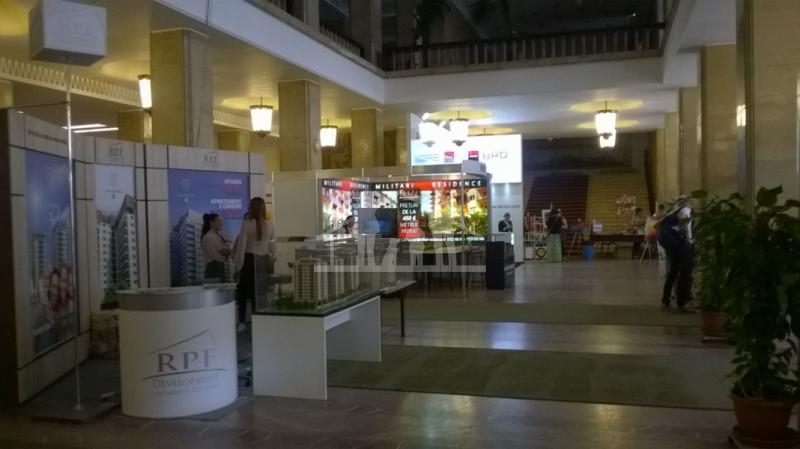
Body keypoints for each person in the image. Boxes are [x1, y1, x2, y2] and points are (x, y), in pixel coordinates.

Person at [234, 197, 276, 332]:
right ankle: (261, 325)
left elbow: (241, 245)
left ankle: (242, 322)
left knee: (244, 292)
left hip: (249, 260)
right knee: (261, 294)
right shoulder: (269, 224)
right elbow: (272, 245)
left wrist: (238, 266)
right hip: (264, 260)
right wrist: (272, 257)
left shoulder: (247, 223)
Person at [657, 196, 694, 312]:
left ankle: (665, 301)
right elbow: (686, 228)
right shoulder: (686, 210)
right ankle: (682, 303)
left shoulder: (671, 213)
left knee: (673, 273)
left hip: (672, 246)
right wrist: (689, 242)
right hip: (681, 245)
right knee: (685, 274)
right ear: (688, 203)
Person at [202, 213, 231, 282]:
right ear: (212, 223)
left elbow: (224, 251)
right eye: (219, 221)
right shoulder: (208, 237)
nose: (221, 223)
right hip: (213, 270)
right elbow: (216, 256)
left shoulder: (219, 236)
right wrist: (225, 253)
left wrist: (226, 252)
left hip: (220, 268)